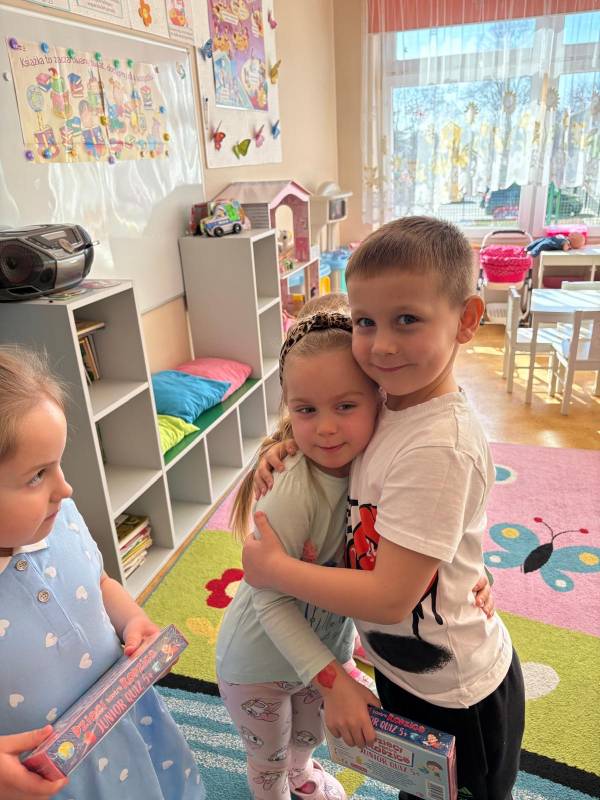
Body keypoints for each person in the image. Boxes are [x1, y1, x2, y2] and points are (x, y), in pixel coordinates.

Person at [243, 217, 525, 800]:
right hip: (402, 668)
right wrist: (286, 443)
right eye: (365, 322)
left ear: (467, 320)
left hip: (458, 693)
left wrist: (275, 571)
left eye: (408, 320)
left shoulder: (438, 445)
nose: (382, 345)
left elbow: (392, 596)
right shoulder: (392, 402)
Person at [0, 347, 205, 800]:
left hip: (127, 722)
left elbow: (97, 582)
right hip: (52, 779)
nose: (65, 487)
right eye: (36, 476)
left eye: (59, 463)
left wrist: (132, 619)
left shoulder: (60, 516)